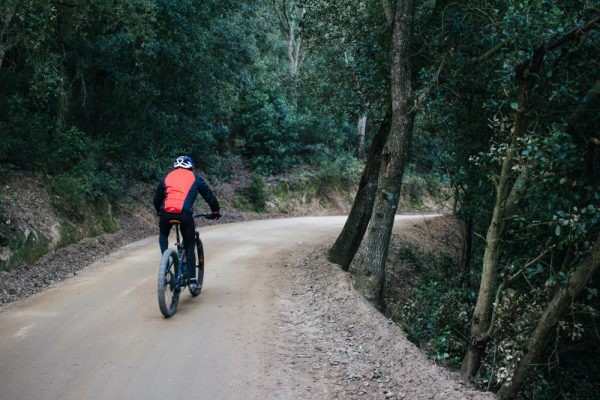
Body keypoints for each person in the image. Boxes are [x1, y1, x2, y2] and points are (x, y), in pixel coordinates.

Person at [153, 155, 220, 290]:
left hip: (166, 214)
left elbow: (157, 198)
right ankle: (193, 281)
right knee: (189, 245)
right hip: (184, 215)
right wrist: (215, 212)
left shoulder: (167, 177)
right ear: (190, 166)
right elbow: (209, 196)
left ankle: (165, 264)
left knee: (163, 234)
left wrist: (159, 211)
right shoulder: (195, 178)